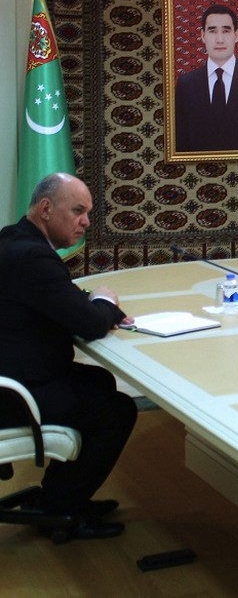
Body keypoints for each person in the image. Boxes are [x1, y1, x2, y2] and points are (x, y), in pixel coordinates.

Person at [0, 173, 137, 540]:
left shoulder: (13, 237)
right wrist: (104, 302)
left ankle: (62, 494)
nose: (86, 222)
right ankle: (60, 510)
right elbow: (90, 325)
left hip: (15, 372)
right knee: (117, 411)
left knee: (99, 380)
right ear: (46, 208)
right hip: (14, 392)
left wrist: (92, 305)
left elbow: (57, 297)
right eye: (78, 211)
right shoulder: (32, 257)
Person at [173, 4, 238, 152]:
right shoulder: (186, 84)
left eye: (226, 31)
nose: (219, 39)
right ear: (202, 36)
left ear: (236, 35)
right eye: (212, 31)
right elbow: (180, 140)